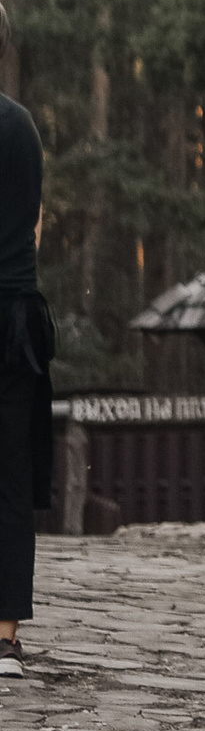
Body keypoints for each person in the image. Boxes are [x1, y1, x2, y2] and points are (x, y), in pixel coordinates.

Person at [0, 46, 55, 682]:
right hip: (16, 320)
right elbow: (33, 228)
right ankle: (4, 639)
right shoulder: (22, 127)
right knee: (10, 477)